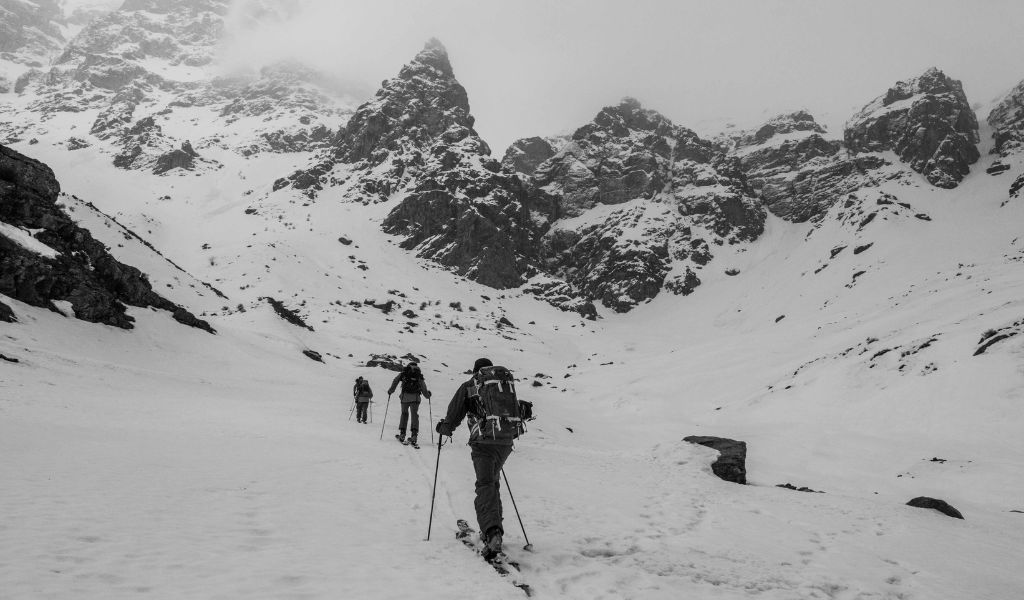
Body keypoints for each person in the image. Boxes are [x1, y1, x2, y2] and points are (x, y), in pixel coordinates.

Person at [435, 358, 514, 560]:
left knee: (485, 485)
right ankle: (493, 528)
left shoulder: (470, 386)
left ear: (475, 371)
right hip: (504, 442)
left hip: (483, 443)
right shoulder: (501, 384)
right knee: (493, 484)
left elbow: (454, 413)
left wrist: (445, 428)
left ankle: (492, 532)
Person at [387, 362, 431, 445]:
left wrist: (390, 391)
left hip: (405, 398)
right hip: (415, 398)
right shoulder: (418, 374)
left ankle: (402, 434)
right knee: (414, 415)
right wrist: (428, 396)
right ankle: (414, 436)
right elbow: (423, 387)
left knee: (404, 414)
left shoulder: (404, 373)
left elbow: (395, 381)